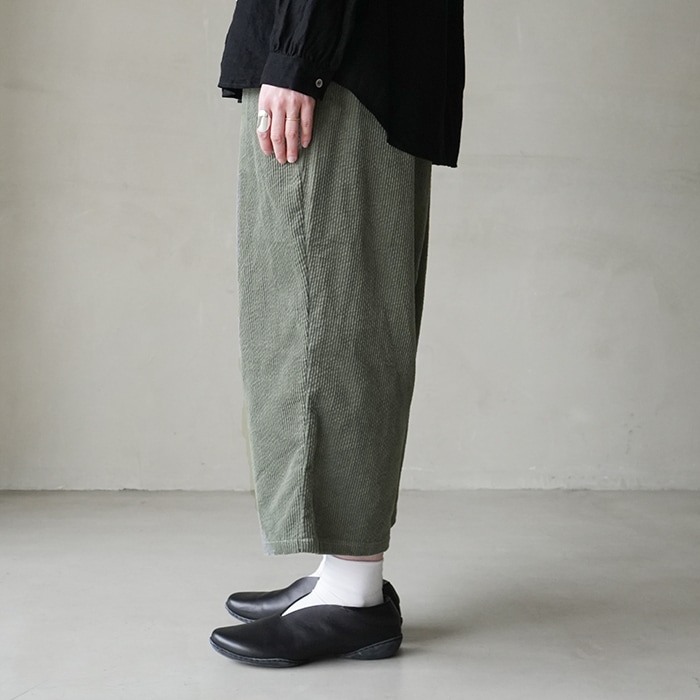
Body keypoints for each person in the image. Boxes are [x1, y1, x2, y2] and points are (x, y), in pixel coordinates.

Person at [209, 0, 466, 667]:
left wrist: (300, 55)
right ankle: (342, 572)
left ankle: (352, 594)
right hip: (361, 60)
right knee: (337, 317)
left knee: (325, 326)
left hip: (341, 63)